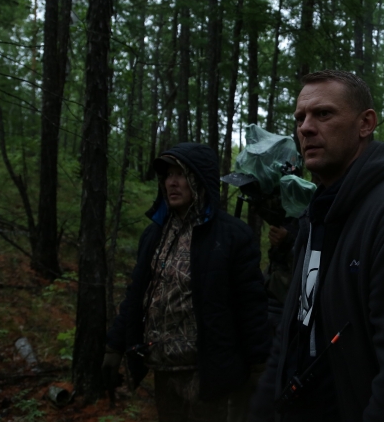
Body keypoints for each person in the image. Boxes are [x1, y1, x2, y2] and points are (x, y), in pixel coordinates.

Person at [250, 70, 384, 422]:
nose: (305, 128)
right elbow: (295, 328)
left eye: (323, 114)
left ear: (366, 124)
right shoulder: (318, 213)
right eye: (300, 118)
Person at [102, 143, 270, 422]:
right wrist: (115, 346)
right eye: (168, 175)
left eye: (180, 174)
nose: (172, 182)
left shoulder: (231, 237)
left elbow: (251, 305)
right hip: (163, 370)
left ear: (199, 179)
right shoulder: (154, 234)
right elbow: (136, 295)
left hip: (209, 376)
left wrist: (259, 365)